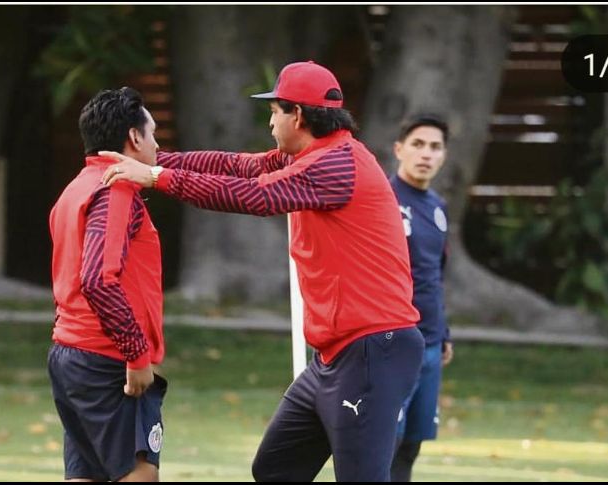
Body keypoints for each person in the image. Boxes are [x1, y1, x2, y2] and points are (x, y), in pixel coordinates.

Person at [99, 61, 425, 482]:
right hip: (335, 356)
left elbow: (252, 196)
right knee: (275, 468)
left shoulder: (337, 164)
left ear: (299, 116)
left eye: (275, 111)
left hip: (373, 351)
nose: (271, 121)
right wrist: (152, 159)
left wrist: (156, 176)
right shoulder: (311, 155)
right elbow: (237, 167)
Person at [47, 87, 168, 482]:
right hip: (106, 361)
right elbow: (98, 278)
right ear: (134, 138)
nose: (156, 144)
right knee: (139, 473)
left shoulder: (74, 189)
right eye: (152, 134)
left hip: (70, 355)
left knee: (87, 475)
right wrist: (137, 355)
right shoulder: (116, 189)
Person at [388, 114, 454, 482]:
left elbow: (434, 275)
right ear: (399, 150)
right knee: (386, 442)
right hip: (394, 340)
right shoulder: (381, 199)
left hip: (430, 342)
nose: (426, 154)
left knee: (412, 444)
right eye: (418, 144)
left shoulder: (438, 208)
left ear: (444, 156)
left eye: (435, 147)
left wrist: (444, 331)